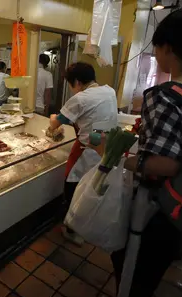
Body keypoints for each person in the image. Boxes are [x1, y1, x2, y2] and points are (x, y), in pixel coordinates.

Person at [113, 8, 182, 297]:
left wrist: (126, 160)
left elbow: (165, 164)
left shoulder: (164, 95)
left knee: (132, 274)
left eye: (157, 48)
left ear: (167, 48)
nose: (157, 55)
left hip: (158, 208)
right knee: (156, 267)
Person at [48, 62, 118, 245]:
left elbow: (57, 123)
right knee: (93, 185)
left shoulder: (81, 98)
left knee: (72, 183)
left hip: (87, 148)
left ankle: (73, 229)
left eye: (71, 85)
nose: (72, 90)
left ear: (77, 82)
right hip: (105, 145)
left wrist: (52, 119)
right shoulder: (109, 91)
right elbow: (96, 118)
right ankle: (88, 223)